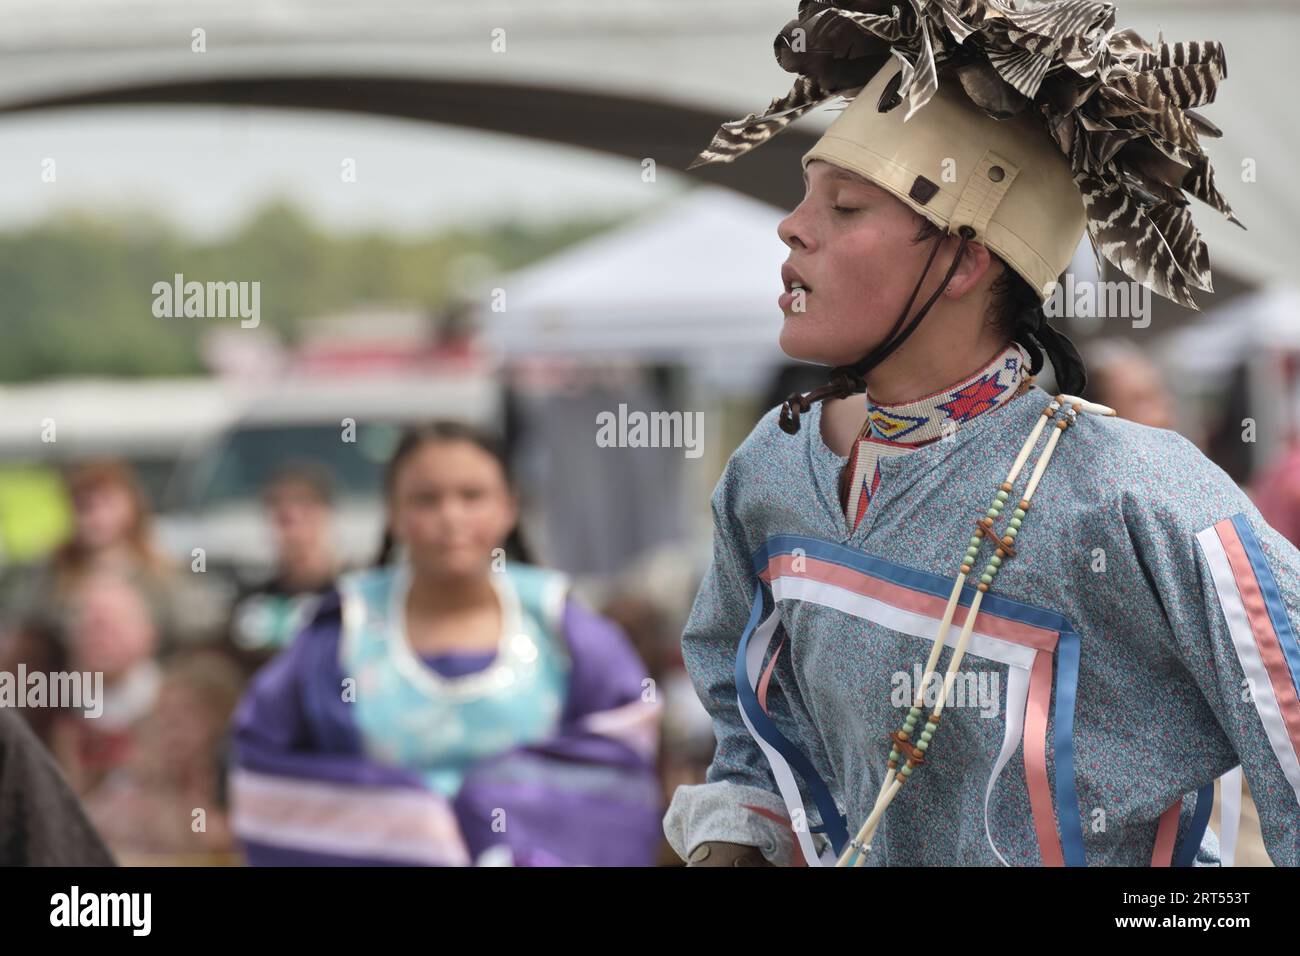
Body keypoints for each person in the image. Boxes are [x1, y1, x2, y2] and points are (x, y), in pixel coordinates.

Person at [665, 2, 1300, 866]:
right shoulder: (775, 472)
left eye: (845, 207)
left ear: (965, 261)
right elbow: (756, 741)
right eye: (804, 198)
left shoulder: (1137, 497)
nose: (792, 227)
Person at [228, 421, 663, 866]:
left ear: (509, 508)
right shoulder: (342, 632)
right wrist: (410, 824)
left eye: (472, 496)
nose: (451, 517)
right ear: (393, 514)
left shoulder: (563, 628)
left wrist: (495, 811)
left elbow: (619, 766)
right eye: (426, 499)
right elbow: (266, 773)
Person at [225, 463, 343, 675]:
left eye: (305, 515)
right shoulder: (250, 603)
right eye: (284, 520)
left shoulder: (350, 599)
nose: (294, 532)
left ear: (325, 516)